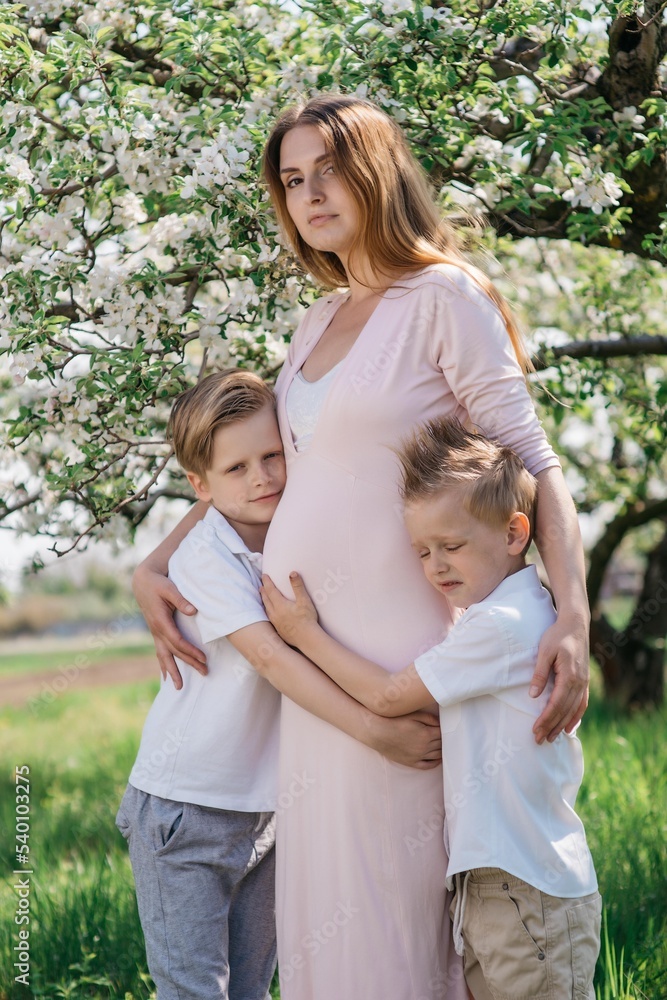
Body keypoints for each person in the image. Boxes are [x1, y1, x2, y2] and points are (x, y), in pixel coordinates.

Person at [133, 94, 590, 999]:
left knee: (395, 910)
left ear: (377, 169)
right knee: (324, 921)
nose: (309, 194)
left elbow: (536, 468)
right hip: (318, 680)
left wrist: (570, 618)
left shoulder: (444, 299)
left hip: (398, 661)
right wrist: (159, 558)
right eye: (291, 181)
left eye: (327, 169)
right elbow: (276, 473)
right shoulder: (314, 324)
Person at [117, 369, 442, 1000]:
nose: (262, 477)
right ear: (200, 485)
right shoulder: (204, 557)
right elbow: (271, 657)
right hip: (186, 807)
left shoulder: (297, 526)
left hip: (268, 809)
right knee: (193, 990)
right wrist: (378, 730)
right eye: (237, 469)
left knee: (251, 989)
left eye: (273, 456)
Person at [261, 416, 602, 1000]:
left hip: (526, 887)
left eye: (453, 546)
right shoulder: (506, 615)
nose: (435, 566)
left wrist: (304, 633)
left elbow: (390, 696)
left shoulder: (503, 625)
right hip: (496, 884)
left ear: (516, 533)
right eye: (422, 551)